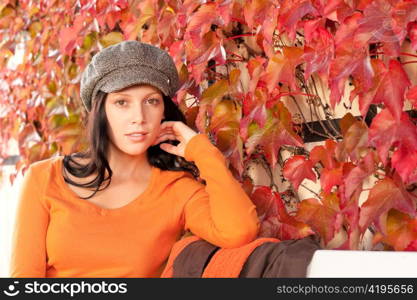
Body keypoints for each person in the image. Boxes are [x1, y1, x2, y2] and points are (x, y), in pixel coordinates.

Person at [9, 40, 260, 278]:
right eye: (121, 102)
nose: (138, 117)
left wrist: (201, 150)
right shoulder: (44, 178)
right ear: (101, 111)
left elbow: (239, 231)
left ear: (164, 111)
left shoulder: (176, 190)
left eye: (151, 101)